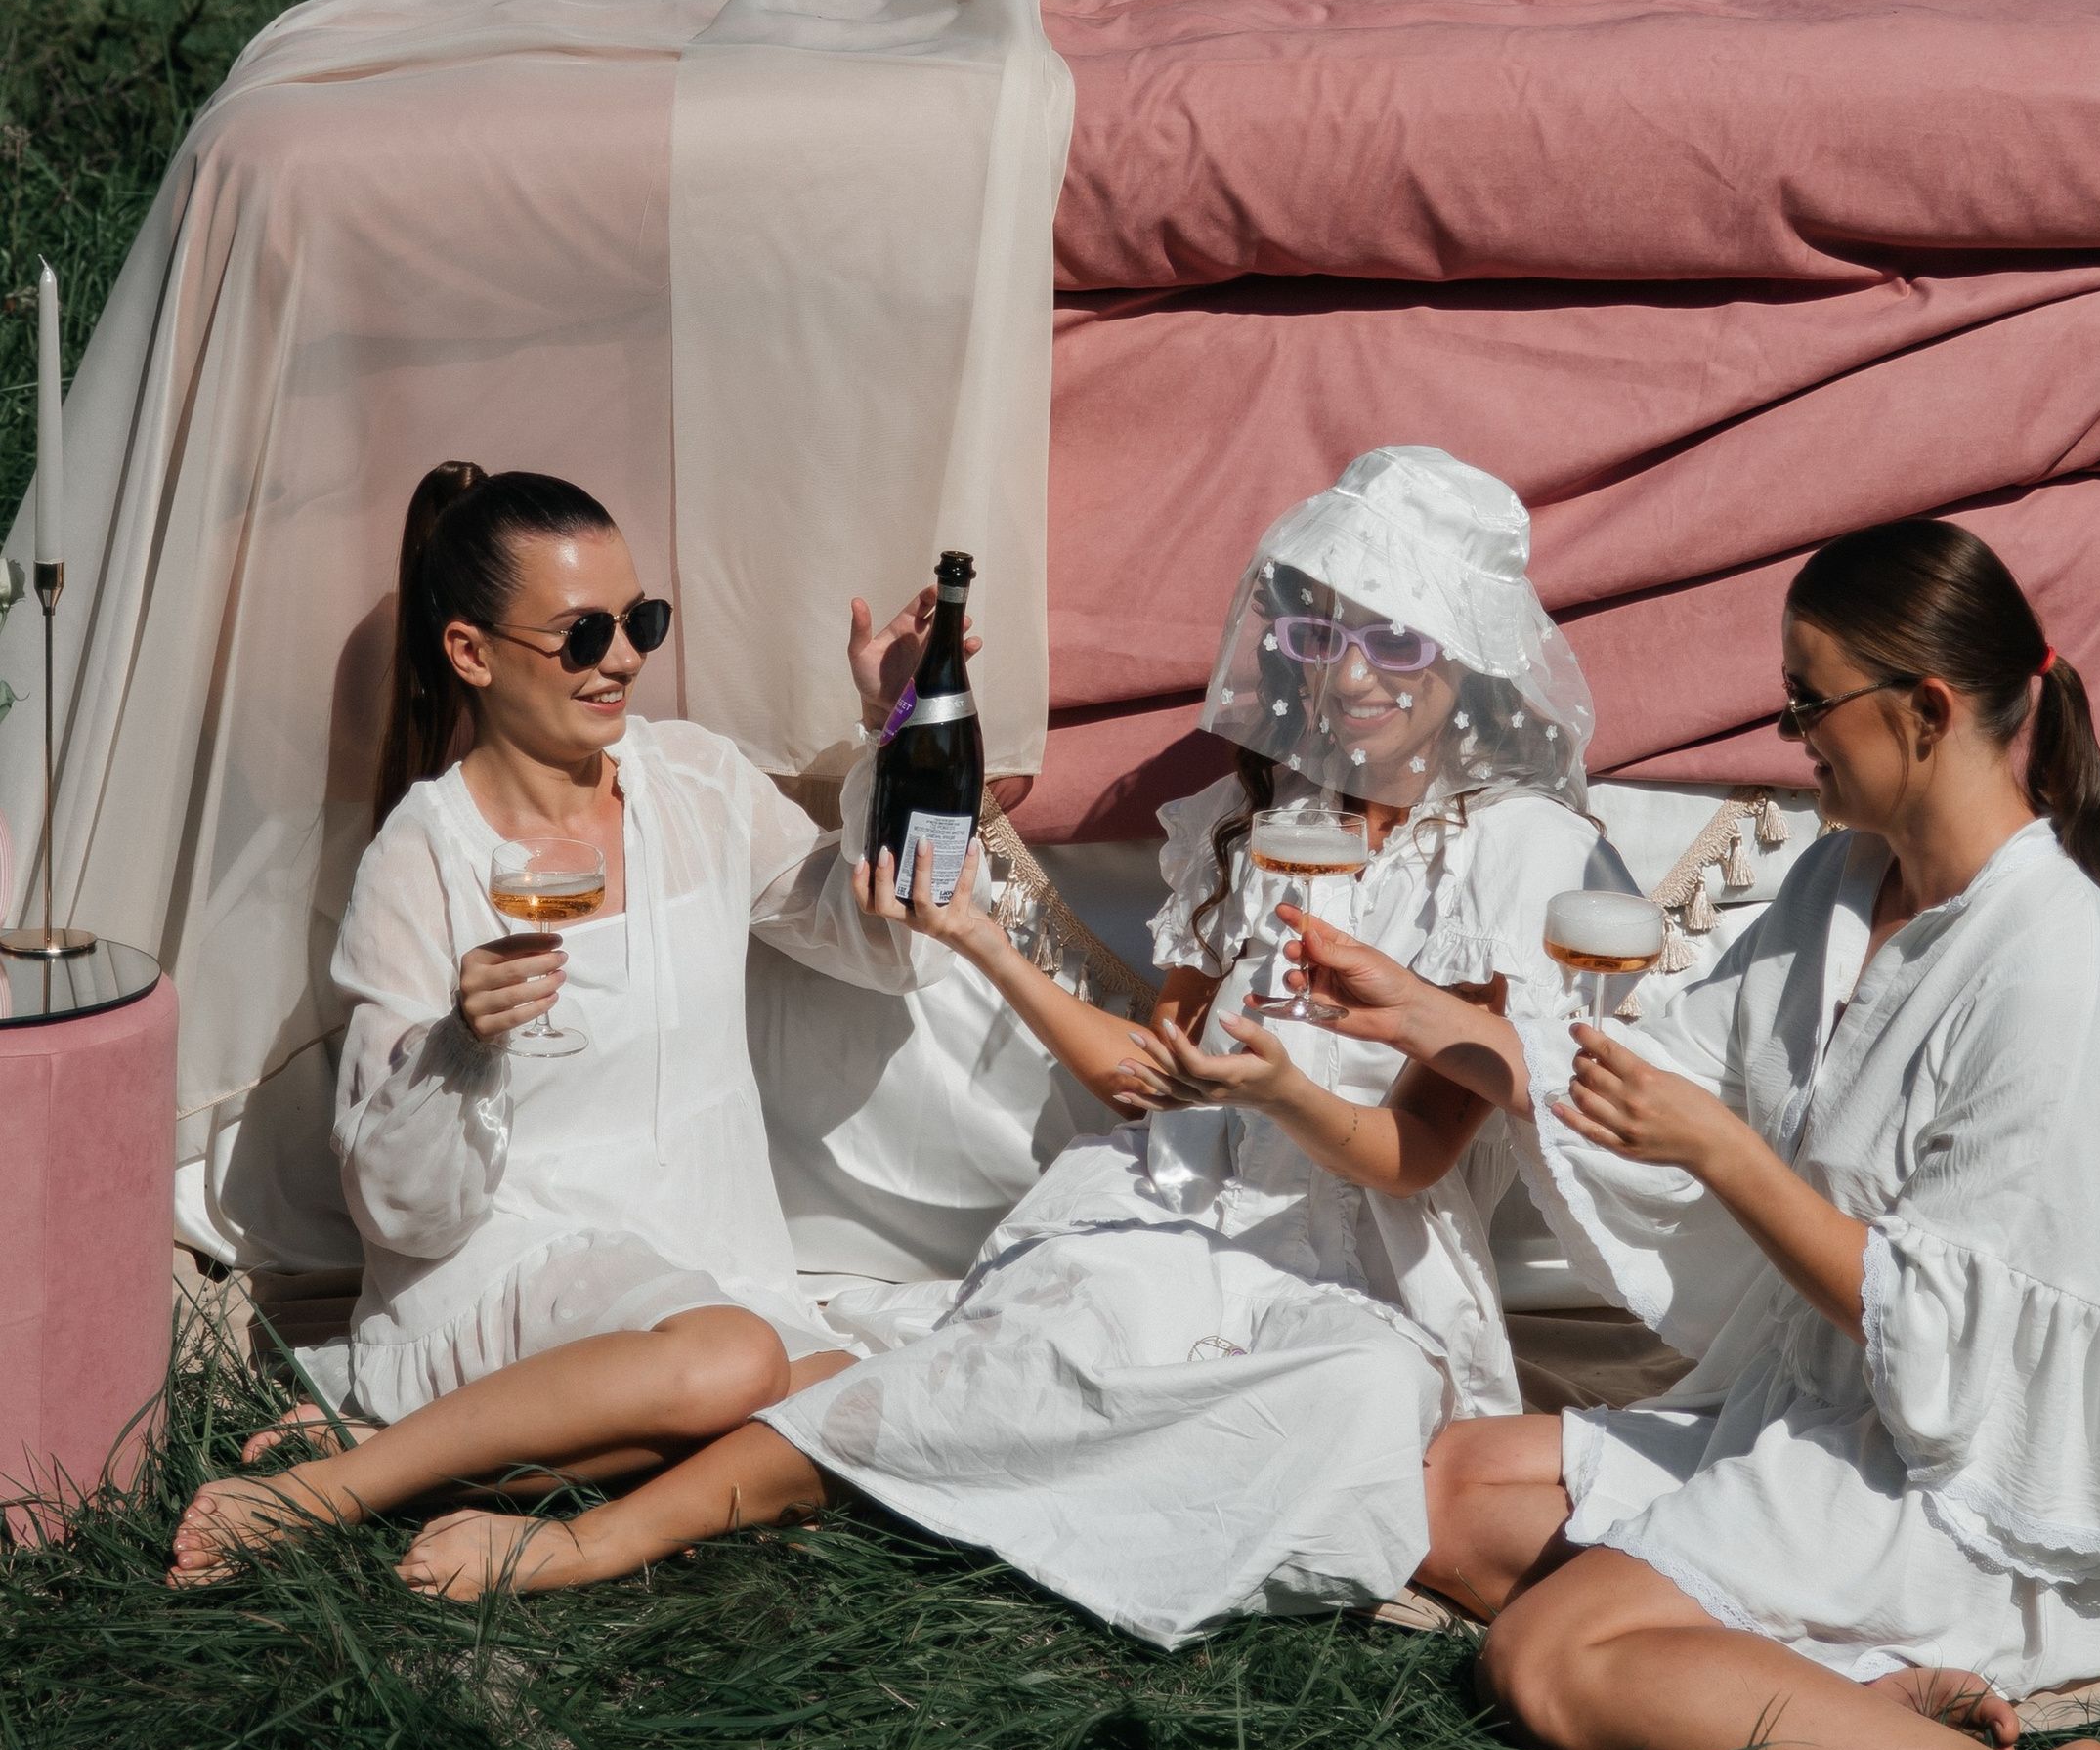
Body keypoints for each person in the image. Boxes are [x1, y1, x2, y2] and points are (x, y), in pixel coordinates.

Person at [346, 445, 1634, 1624]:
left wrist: (1282, 1086)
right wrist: (982, 936)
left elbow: (1409, 1156)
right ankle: (601, 1538)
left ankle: (945, 1485)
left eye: (1396, 646)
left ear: (1469, 656)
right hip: (1174, 1205)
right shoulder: (1251, 831)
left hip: (1359, 1251)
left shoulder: (1518, 862)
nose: (1349, 678)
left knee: (1347, 1395)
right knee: (1008, 1351)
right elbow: (1153, 1085)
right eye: (1319, 635)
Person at [1282, 517, 2100, 1750]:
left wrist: (1725, 1155)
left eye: (1810, 699)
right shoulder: (1844, 882)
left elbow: (1951, 1338)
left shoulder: (2051, 964)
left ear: (1927, 707)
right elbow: (1676, 1060)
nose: (1792, 733)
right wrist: (1435, 1016)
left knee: (1541, 1655)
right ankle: (1836, 1680)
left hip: (1951, 1477)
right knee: (1435, 1490)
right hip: (1805, 1405)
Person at [168, 461, 1021, 1586]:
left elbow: (875, 937)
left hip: (701, 1258)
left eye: (639, 621)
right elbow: (404, 1211)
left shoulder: (693, 783)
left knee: (871, 1396)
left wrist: (899, 720)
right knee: (735, 1364)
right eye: (581, 634)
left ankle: (439, 1464)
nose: (621, 658)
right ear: (470, 652)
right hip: (503, 1260)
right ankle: (322, 1492)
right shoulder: (425, 857)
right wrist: (462, 1041)